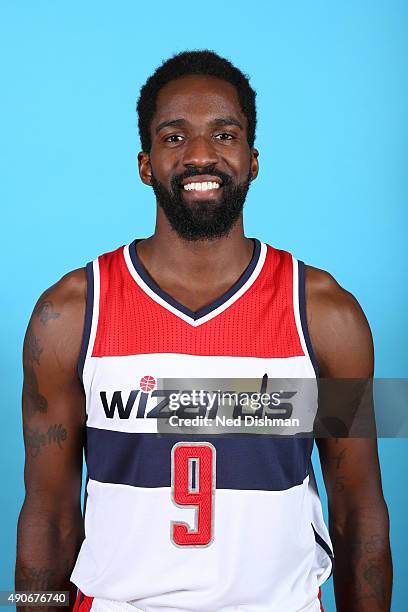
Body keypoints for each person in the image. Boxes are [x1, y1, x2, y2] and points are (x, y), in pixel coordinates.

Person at [16, 50, 392, 612]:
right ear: (144, 164)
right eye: (173, 137)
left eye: (224, 134)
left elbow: (357, 506)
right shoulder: (70, 313)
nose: (200, 155)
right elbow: (48, 514)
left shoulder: (325, 314)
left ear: (252, 158)